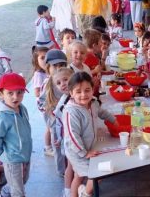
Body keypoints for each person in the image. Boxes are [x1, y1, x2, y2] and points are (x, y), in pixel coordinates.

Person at [62, 72, 117, 197]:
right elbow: (72, 137)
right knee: (97, 173)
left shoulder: (93, 103)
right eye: (78, 91)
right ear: (71, 93)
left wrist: (113, 120)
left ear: (93, 89)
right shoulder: (71, 112)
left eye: (87, 90)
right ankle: (85, 193)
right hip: (77, 151)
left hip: (87, 146)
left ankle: (75, 194)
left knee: (78, 176)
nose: (83, 95)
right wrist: (84, 153)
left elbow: (101, 112)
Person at [0, 73, 32, 197]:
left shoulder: (21, 108)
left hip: (25, 154)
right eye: (10, 93)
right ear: (1, 94)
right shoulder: (1, 115)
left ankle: (5, 193)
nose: (15, 97)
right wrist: (2, 155)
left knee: (22, 181)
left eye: (20, 92)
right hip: (12, 159)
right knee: (18, 191)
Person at [38, 49, 68, 157]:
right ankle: (60, 166)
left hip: (64, 116)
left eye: (61, 65)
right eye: (55, 66)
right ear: (48, 67)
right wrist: (50, 108)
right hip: (53, 118)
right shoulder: (47, 84)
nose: (58, 68)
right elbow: (40, 103)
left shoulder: (66, 79)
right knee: (55, 137)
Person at [52, 67, 75, 197]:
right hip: (69, 140)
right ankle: (67, 191)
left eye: (65, 80)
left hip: (74, 137)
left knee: (73, 165)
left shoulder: (74, 95)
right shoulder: (64, 102)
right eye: (59, 83)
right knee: (71, 166)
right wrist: (60, 139)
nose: (63, 84)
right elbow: (59, 123)